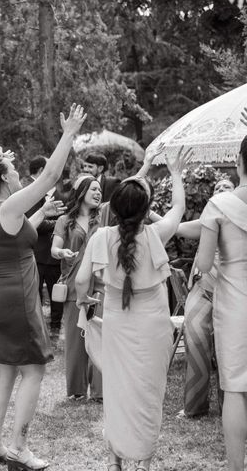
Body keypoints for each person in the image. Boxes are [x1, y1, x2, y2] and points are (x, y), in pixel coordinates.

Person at [0, 104, 86, 470]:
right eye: (15, 170)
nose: (19, 173)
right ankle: (20, 448)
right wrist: (68, 133)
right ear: (4, 179)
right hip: (14, 301)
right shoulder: (5, 206)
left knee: (5, 370)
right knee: (33, 370)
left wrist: (41, 214)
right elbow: (50, 175)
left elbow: (12, 237)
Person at [75, 147, 191, 471]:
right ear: (145, 210)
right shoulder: (156, 234)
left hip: (117, 324)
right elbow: (179, 208)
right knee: (149, 394)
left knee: (118, 390)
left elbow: (82, 281)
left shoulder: (101, 237)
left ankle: (115, 461)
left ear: (114, 208)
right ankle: (145, 462)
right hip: (152, 326)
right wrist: (177, 174)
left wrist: (84, 302)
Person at [197, 138, 247, 471]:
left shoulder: (220, 204)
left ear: (239, 162)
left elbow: (202, 264)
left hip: (236, 303)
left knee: (235, 387)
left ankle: (234, 466)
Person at [175, 178, 234, 419]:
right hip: (202, 286)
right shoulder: (208, 219)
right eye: (218, 187)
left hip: (232, 289)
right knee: (196, 336)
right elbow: (176, 227)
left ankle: (229, 405)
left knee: (228, 347)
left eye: (227, 187)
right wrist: (149, 215)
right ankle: (195, 405)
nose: (221, 189)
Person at [50, 175, 102, 401]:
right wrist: (62, 253)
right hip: (73, 283)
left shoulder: (104, 219)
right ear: (81, 192)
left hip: (100, 284)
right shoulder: (64, 221)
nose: (98, 193)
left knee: (101, 338)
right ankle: (77, 390)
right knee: (75, 339)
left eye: (100, 190)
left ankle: (100, 392)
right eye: (93, 189)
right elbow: (54, 249)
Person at [22, 157, 65, 338]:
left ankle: (55, 326)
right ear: (41, 170)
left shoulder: (60, 195)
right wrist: (57, 222)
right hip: (36, 252)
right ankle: (36, 327)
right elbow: (34, 224)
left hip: (53, 255)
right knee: (34, 293)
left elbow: (65, 217)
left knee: (56, 291)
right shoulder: (28, 192)